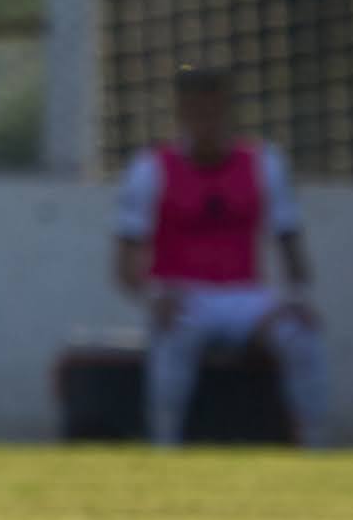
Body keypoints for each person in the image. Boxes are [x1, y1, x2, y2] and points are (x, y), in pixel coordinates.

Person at [118, 66, 324, 448]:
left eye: (213, 111)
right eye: (196, 112)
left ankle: (313, 443)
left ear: (228, 111)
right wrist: (152, 298)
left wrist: (297, 299)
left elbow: (288, 240)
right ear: (180, 114)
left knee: (300, 336)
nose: (206, 123)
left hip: (246, 296)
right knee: (174, 334)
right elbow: (126, 258)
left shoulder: (264, 164)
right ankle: (165, 444)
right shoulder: (150, 169)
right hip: (183, 293)